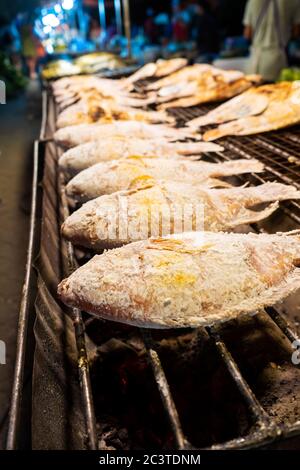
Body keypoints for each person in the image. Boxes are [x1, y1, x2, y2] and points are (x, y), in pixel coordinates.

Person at [243, 0, 300, 82]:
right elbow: (296, 32)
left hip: (253, 61)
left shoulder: (252, 1)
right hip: (276, 61)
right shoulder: (294, 1)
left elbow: (247, 33)